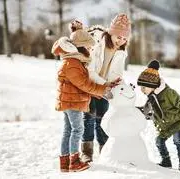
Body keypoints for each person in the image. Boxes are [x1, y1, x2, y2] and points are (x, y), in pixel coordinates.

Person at [52, 20, 121, 172]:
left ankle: (65, 162)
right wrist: (102, 89)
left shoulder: (74, 60)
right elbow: (84, 84)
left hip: (70, 99)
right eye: (88, 46)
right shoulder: (72, 63)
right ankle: (74, 161)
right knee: (77, 130)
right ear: (80, 46)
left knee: (69, 130)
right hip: (72, 101)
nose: (91, 48)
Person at [81, 13, 131, 163]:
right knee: (89, 118)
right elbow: (90, 70)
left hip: (105, 89)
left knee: (103, 119)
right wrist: (104, 83)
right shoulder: (98, 44)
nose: (121, 41)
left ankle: (104, 150)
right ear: (111, 33)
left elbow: (117, 72)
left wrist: (118, 83)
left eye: (124, 38)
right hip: (90, 85)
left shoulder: (121, 52)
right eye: (118, 37)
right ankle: (86, 152)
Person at [137, 60, 180, 170]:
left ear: (153, 85)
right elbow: (147, 111)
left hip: (177, 122)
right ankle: (166, 161)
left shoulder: (168, 93)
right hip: (165, 126)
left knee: (177, 140)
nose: (142, 90)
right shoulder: (151, 97)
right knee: (159, 141)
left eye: (145, 87)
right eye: (142, 87)